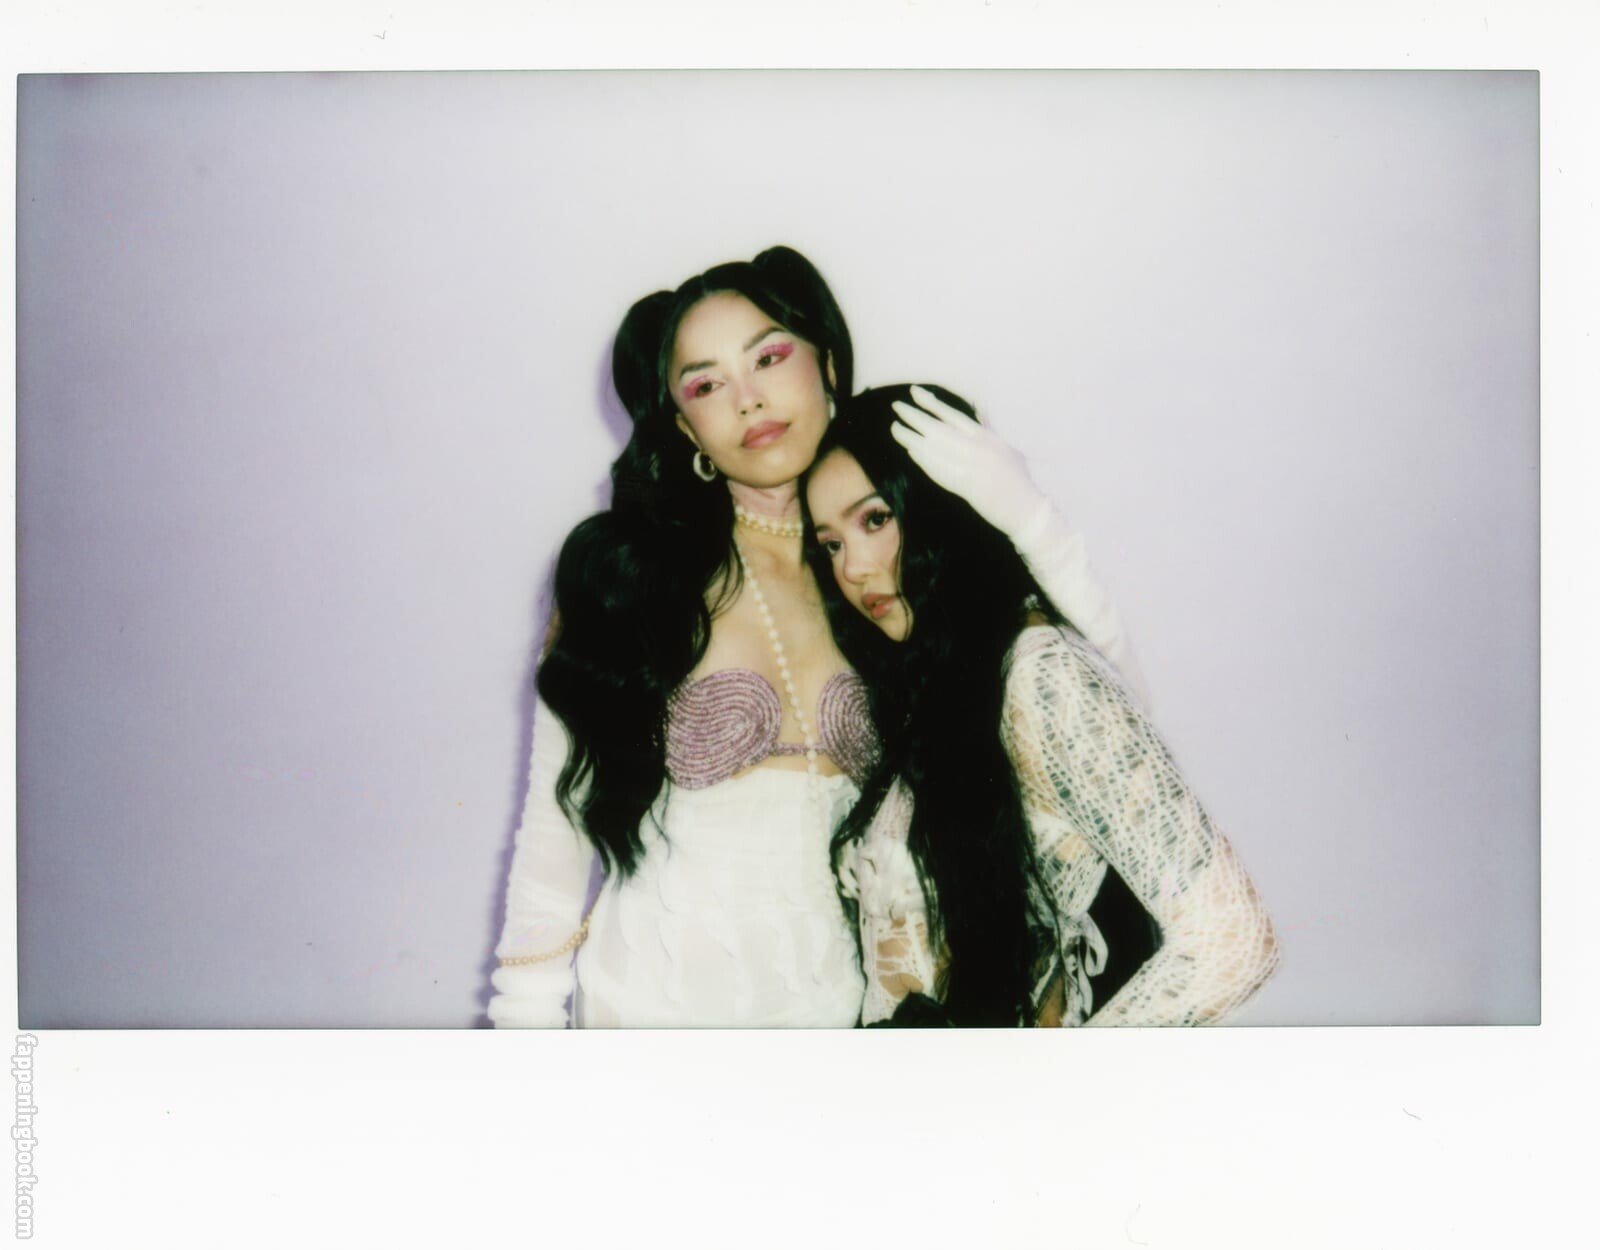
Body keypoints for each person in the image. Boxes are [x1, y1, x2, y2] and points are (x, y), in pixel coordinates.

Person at [488, 249, 1137, 1027]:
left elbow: (1111, 736)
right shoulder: (629, 578)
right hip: (651, 1021)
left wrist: (1030, 518)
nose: (749, 400)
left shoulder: (890, 573)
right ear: (684, 424)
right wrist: (524, 1045)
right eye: (706, 385)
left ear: (827, 364)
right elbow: (555, 839)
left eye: (768, 357)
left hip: (845, 1027)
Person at [803, 384, 1279, 1027]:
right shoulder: (933, 687)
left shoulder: (1038, 673)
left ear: (943, 508)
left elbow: (1233, 940)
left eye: (875, 519)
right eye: (830, 544)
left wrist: (1057, 1082)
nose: (853, 568)